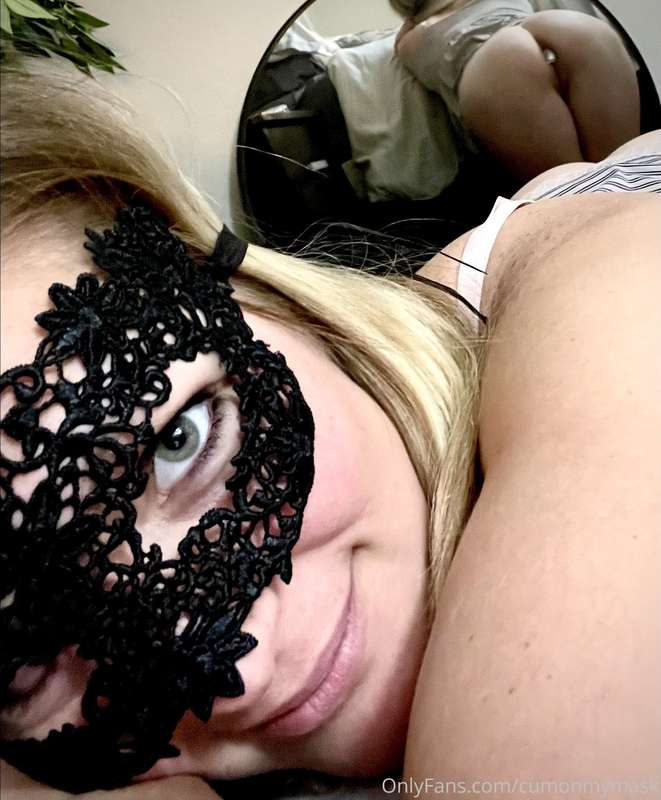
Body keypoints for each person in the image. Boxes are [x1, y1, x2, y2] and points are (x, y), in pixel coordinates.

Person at [1, 58, 659, 800]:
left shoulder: (607, 289)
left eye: (178, 443)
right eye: (22, 654)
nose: (243, 675)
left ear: (242, 286)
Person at [391, 0, 642, 182]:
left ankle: (630, 186)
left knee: (577, 29)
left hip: (516, 40)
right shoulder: (410, 36)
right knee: (512, 47)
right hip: (484, 60)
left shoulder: (412, 36)